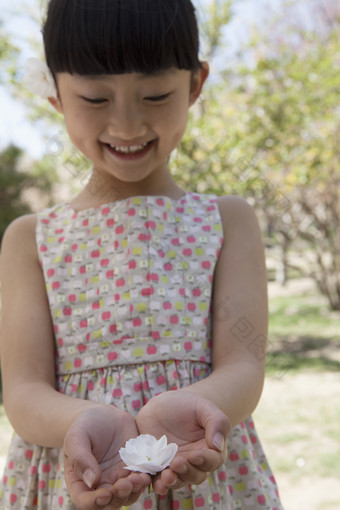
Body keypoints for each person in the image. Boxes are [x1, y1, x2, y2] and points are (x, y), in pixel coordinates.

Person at [0, 0, 284, 509]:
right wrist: (77, 422)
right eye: (94, 97)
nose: (127, 125)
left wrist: (200, 406)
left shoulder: (227, 220)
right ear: (56, 95)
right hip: (80, 477)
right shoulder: (30, 239)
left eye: (155, 95)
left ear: (195, 85)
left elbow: (245, 363)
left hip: (205, 474)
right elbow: (22, 392)